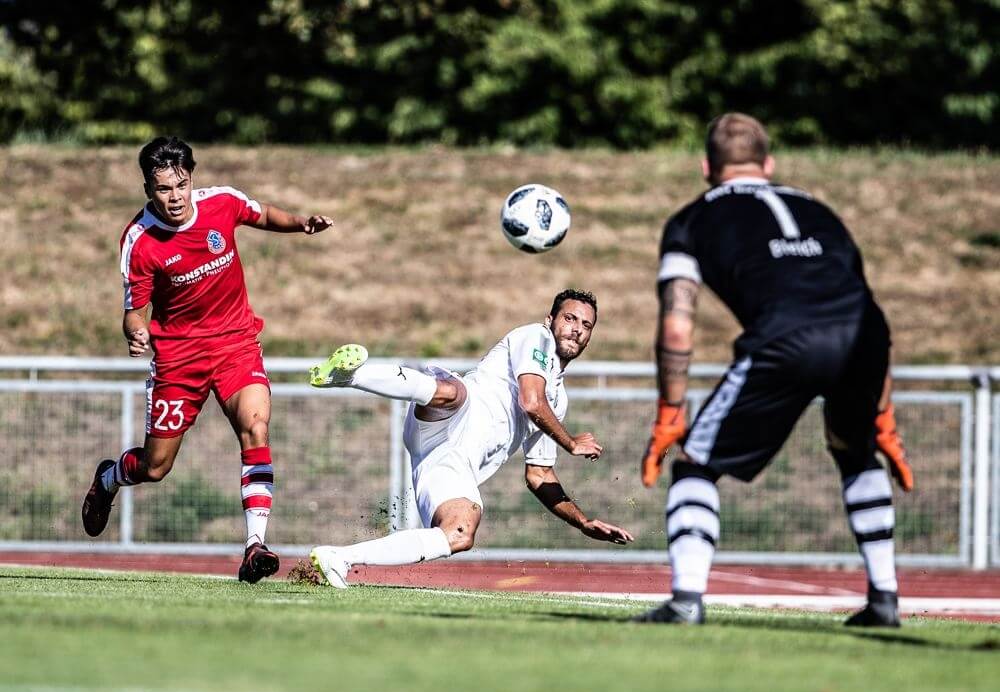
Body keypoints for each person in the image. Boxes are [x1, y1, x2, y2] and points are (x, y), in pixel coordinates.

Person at [635, 113, 914, 626]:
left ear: (706, 168)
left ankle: (686, 601)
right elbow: (865, 308)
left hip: (785, 339)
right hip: (865, 338)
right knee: (856, 452)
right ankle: (885, 599)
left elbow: (678, 325)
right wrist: (884, 413)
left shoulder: (689, 221)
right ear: (769, 164)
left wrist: (669, 412)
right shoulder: (822, 211)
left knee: (696, 463)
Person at [81, 136, 334, 583]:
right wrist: (136, 333)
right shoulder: (139, 241)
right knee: (156, 467)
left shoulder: (220, 202)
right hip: (179, 360)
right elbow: (133, 312)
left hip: (236, 344)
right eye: (163, 189)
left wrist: (301, 224)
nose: (174, 197)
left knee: (255, 426)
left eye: (180, 185)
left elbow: (261, 214)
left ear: (191, 179)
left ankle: (255, 546)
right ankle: (109, 478)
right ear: (148, 189)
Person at [308, 289, 634, 587]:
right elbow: (530, 400)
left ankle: (338, 558)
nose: (577, 328)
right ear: (550, 320)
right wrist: (572, 443)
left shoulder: (558, 402)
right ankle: (351, 376)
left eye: (586, 325)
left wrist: (582, 521)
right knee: (454, 392)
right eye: (569, 318)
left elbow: (539, 475)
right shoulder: (536, 337)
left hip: (451, 462)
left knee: (460, 533)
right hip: (448, 420)